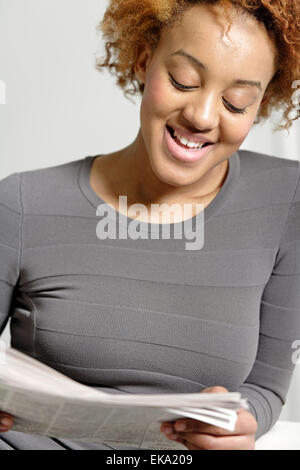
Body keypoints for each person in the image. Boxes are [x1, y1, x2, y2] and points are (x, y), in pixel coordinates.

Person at [0, 0, 300, 451]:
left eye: (236, 103)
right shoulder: (22, 202)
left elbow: (266, 387)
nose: (201, 116)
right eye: (184, 81)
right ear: (144, 60)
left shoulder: (286, 200)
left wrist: (243, 420)